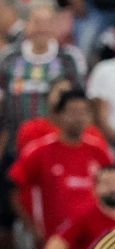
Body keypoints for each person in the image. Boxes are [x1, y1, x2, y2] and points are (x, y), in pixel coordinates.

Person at [9, 91, 115, 242]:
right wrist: (32, 228)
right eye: (72, 112)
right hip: (52, 240)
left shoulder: (99, 150)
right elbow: (14, 189)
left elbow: (114, 188)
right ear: (58, 116)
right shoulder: (38, 151)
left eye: (84, 112)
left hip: (93, 241)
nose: (78, 118)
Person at [0, 0, 85, 155]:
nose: (42, 28)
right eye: (37, 22)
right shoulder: (7, 58)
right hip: (14, 146)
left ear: (55, 25)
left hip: (56, 147)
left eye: (47, 22)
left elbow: (81, 102)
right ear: (26, 23)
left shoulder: (69, 59)